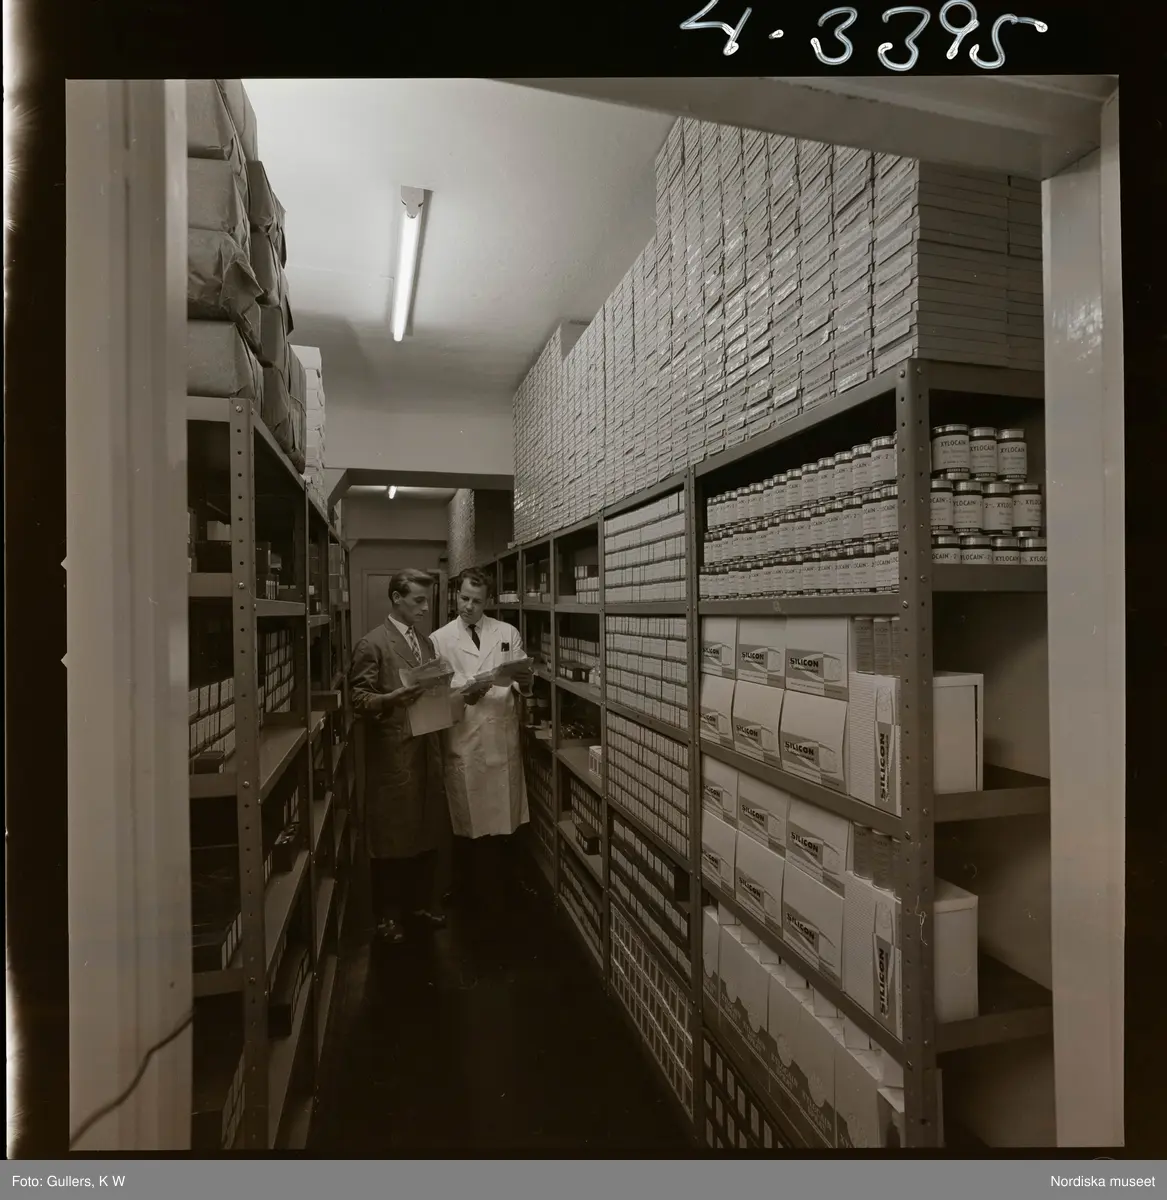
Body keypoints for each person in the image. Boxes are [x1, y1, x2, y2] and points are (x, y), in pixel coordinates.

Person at [349, 569, 451, 944]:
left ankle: (419, 905)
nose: (425, 608)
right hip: (393, 754)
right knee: (391, 835)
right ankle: (387, 916)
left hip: (426, 748)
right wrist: (389, 699)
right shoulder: (372, 644)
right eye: (417, 600)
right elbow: (357, 699)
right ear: (396, 598)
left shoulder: (425, 643)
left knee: (425, 828)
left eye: (426, 600)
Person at [430, 568, 532, 900]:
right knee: (466, 819)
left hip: (500, 735)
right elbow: (435, 694)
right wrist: (465, 691)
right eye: (464, 598)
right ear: (456, 596)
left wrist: (526, 682)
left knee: (504, 819)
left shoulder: (507, 632)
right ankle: (464, 888)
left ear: (488, 600)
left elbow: (521, 679)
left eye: (476, 601)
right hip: (465, 736)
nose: (468, 607)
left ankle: (506, 887)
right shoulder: (440, 639)